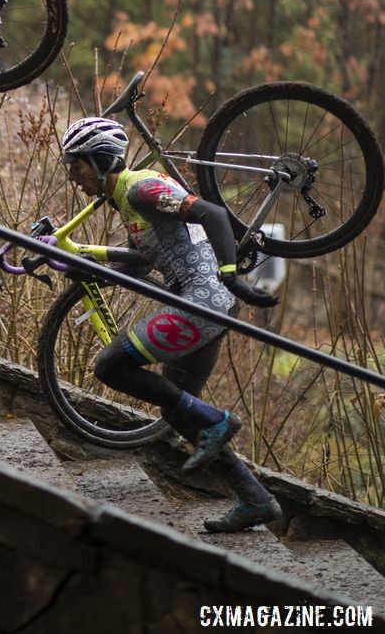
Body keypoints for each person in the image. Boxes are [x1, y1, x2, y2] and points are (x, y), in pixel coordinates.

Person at [59, 116, 284, 532]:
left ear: (99, 159)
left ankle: (220, 420)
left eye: (76, 166)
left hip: (204, 302)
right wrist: (87, 263)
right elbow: (144, 262)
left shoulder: (140, 188)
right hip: (204, 304)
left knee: (110, 366)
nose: (74, 178)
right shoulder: (126, 200)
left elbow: (213, 215)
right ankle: (256, 499)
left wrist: (230, 272)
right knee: (180, 410)